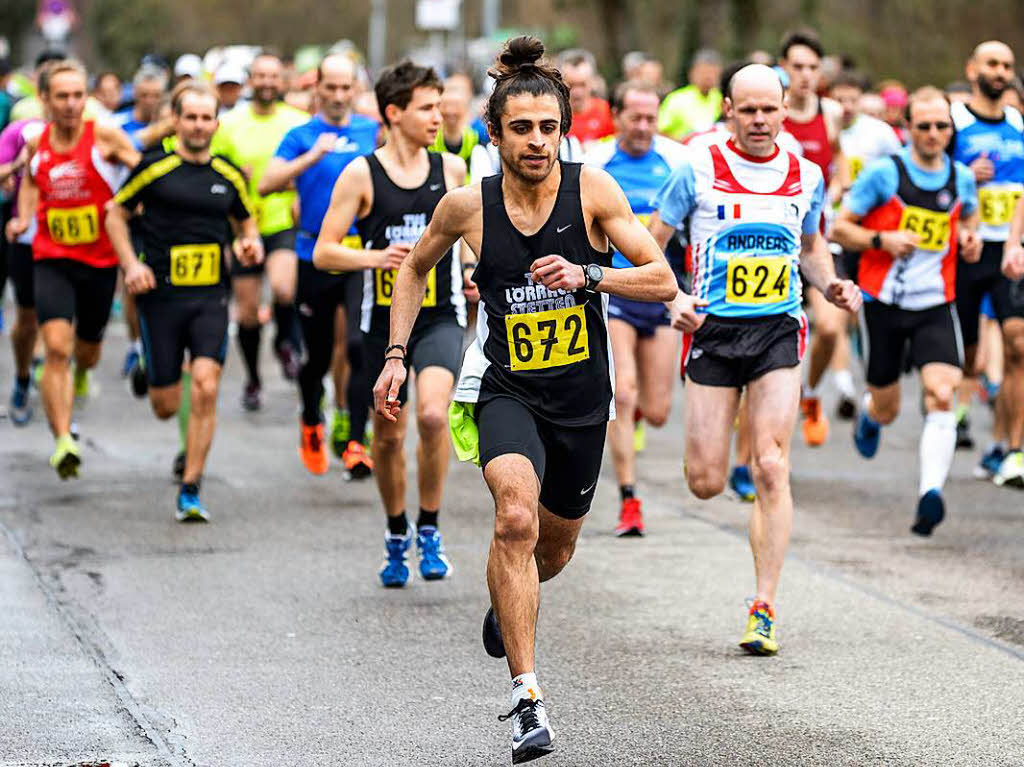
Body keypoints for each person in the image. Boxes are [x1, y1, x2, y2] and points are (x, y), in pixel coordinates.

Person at [372, 37, 676, 763]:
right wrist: (395, 354)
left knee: (554, 547)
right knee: (514, 516)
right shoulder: (466, 206)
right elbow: (412, 273)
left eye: (548, 128)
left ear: (563, 130)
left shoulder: (594, 191)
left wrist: (589, 275)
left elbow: (661, 278)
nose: (536, 141)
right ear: (494, 133)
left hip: (580, 397)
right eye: (521, 128)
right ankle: (528, 696)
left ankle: (509, 603)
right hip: (505, 388)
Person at [647, 64, 861, 655]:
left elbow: (812, 249)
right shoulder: (696, 168)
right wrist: (675, 298)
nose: (760, 120)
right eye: (749, 110)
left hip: (776, 331)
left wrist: (832, 285)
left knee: (771, 465)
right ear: (729, 110)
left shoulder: (806, 174)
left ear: (786, 107)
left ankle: (763, 606)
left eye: (770, 109)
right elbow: (650, 244)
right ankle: (731, 446)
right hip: (712, 334)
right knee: (705, 481)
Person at [313, 61, 467, 586]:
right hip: (382, 323)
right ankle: (396, 530)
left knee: (430, 416)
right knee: (387, 435)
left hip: (441, 315)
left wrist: (470, 271)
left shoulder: (451, 171)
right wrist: (374, 258)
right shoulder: (361, 173)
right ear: (394, 112)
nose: (437, 115)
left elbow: (470, 240)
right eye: (426, 107)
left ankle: (429, 526)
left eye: (439, 104)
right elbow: (323, 251)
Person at [106, 82, 262, 520]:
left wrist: (250, 245)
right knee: (165, 405)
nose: (198, 125)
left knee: (207, 386)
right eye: (189, 117)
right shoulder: (153, 168)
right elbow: (114, 213)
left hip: (211, 298)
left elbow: (246, 225)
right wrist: (130, 265)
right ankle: (147, 367)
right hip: (161, 301)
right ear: (175, 121)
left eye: (206, 117)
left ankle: (191, 486)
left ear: (216, 122)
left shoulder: (228, 174)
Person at [833, 86, 981, 534]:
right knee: (888, 408)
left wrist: (970, 238)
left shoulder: (962, 177)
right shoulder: (884, 174)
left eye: (942, 126)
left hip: (937, 303)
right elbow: (841, 227)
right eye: (924, 126)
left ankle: (929, 495)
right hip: (884, 306)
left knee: (941, 393)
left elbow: (969, 216)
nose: (934, 134)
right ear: (909, 129)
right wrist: (883, 241)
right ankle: (868, 409)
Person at [7, 59, 138, 477]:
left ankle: (85, 372)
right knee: (56, 347)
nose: (70, 104)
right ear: (44, 100)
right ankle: (64, 439)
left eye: (78, 95)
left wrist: (135, 202)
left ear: (88, 99)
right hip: (52, 258)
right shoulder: (37, 142)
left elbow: (143, 172)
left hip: (100, 262)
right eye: (61, 96)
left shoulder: (104, 137)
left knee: (88, 349)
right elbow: (30, 181)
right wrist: (23, 218)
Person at [259, 54, 379, 476]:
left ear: (356, 90)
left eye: (347, 88)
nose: (339, 95)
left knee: (360, 346)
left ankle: (355, 441)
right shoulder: (300, 134)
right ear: (318, 90)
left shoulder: (372, 130)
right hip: (314, 255)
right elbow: (266, 183)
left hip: (360, 255)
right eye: (331, 87)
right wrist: (311, 157)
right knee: (319, 356)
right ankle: (312, 416)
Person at [584, 80, 688, 535]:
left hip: (662, 289)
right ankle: (630, 499)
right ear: (618, 117)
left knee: (659, 409)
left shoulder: (677, 161)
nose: (643, 127)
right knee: (621, 393)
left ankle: (639, 416)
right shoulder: (596, 162)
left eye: (651, 118)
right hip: (616, 290)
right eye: (635, 117)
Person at [213, 52, 309, 410]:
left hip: (283, 218)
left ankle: (285, 340)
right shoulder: (229, 123)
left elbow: (312, 167)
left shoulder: (298, 121)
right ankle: (253, 377)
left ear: (281, 81)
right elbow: (215, 167)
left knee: (285, 288)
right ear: (250, 81)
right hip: (243, 226)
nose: (267, 83)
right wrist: (236, 175)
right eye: (260, 76)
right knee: (249, 312)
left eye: (273, 76)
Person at [949, 40, 1024, 487]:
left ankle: (1014, 449)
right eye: (993, 63)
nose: (1000, 71)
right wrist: (963, 176)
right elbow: (928, 175)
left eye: (1008, 65)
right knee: (969, 357)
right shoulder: (953, 121)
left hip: (1009, 249)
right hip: (965, 248)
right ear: (973, 68)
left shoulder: (1018, 121)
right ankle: (967, 422)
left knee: (1017, 344)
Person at [779, 29, 849, 446]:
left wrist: (835, 191)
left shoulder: (832, 112)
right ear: (784, 68)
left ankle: (812, 392)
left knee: (830, 328)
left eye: (811, 67)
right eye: (797, 66)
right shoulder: (772, 112)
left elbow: (836, 162)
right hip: (773, 242)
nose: (805, 75)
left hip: (815, 239)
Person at [828, 70, 904, 418]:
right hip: (833, 233)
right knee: (839, 315)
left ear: (860, 100)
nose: (845, 107)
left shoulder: (880, 135)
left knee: (864, 317)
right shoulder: (826, 128)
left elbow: (904, 175)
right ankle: (843, 384)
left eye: (851, 100)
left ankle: (868, 381)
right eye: (839, 99)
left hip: (871, 237)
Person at [1, 116, 45, 425]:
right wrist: (19, 164)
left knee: (60, 327)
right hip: (27, 237)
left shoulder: (91, 133)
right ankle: (22, 375)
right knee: (27, 319)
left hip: (69, 242)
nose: (68, 103)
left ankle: (64, 416)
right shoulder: (21, 132)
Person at [658, 48, 723, 140]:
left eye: (713, 73)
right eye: (704, 72)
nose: (708, 77)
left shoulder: (722, 99)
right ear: (692, 73)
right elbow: (660, 131)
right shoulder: (676, 99)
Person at [558, 49, 615, 147]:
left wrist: (599, 145)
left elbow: (619, 142)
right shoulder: (554, 114)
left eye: (582, 85)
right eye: (571, 85)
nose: (577, 92)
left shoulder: (607, 111)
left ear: (593, 82)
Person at [429, 76, 478, 168]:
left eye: (456, 106)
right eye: (445, 106)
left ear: (465, 109)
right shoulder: (430, 139)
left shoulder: (476, 139)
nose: (450, 111)